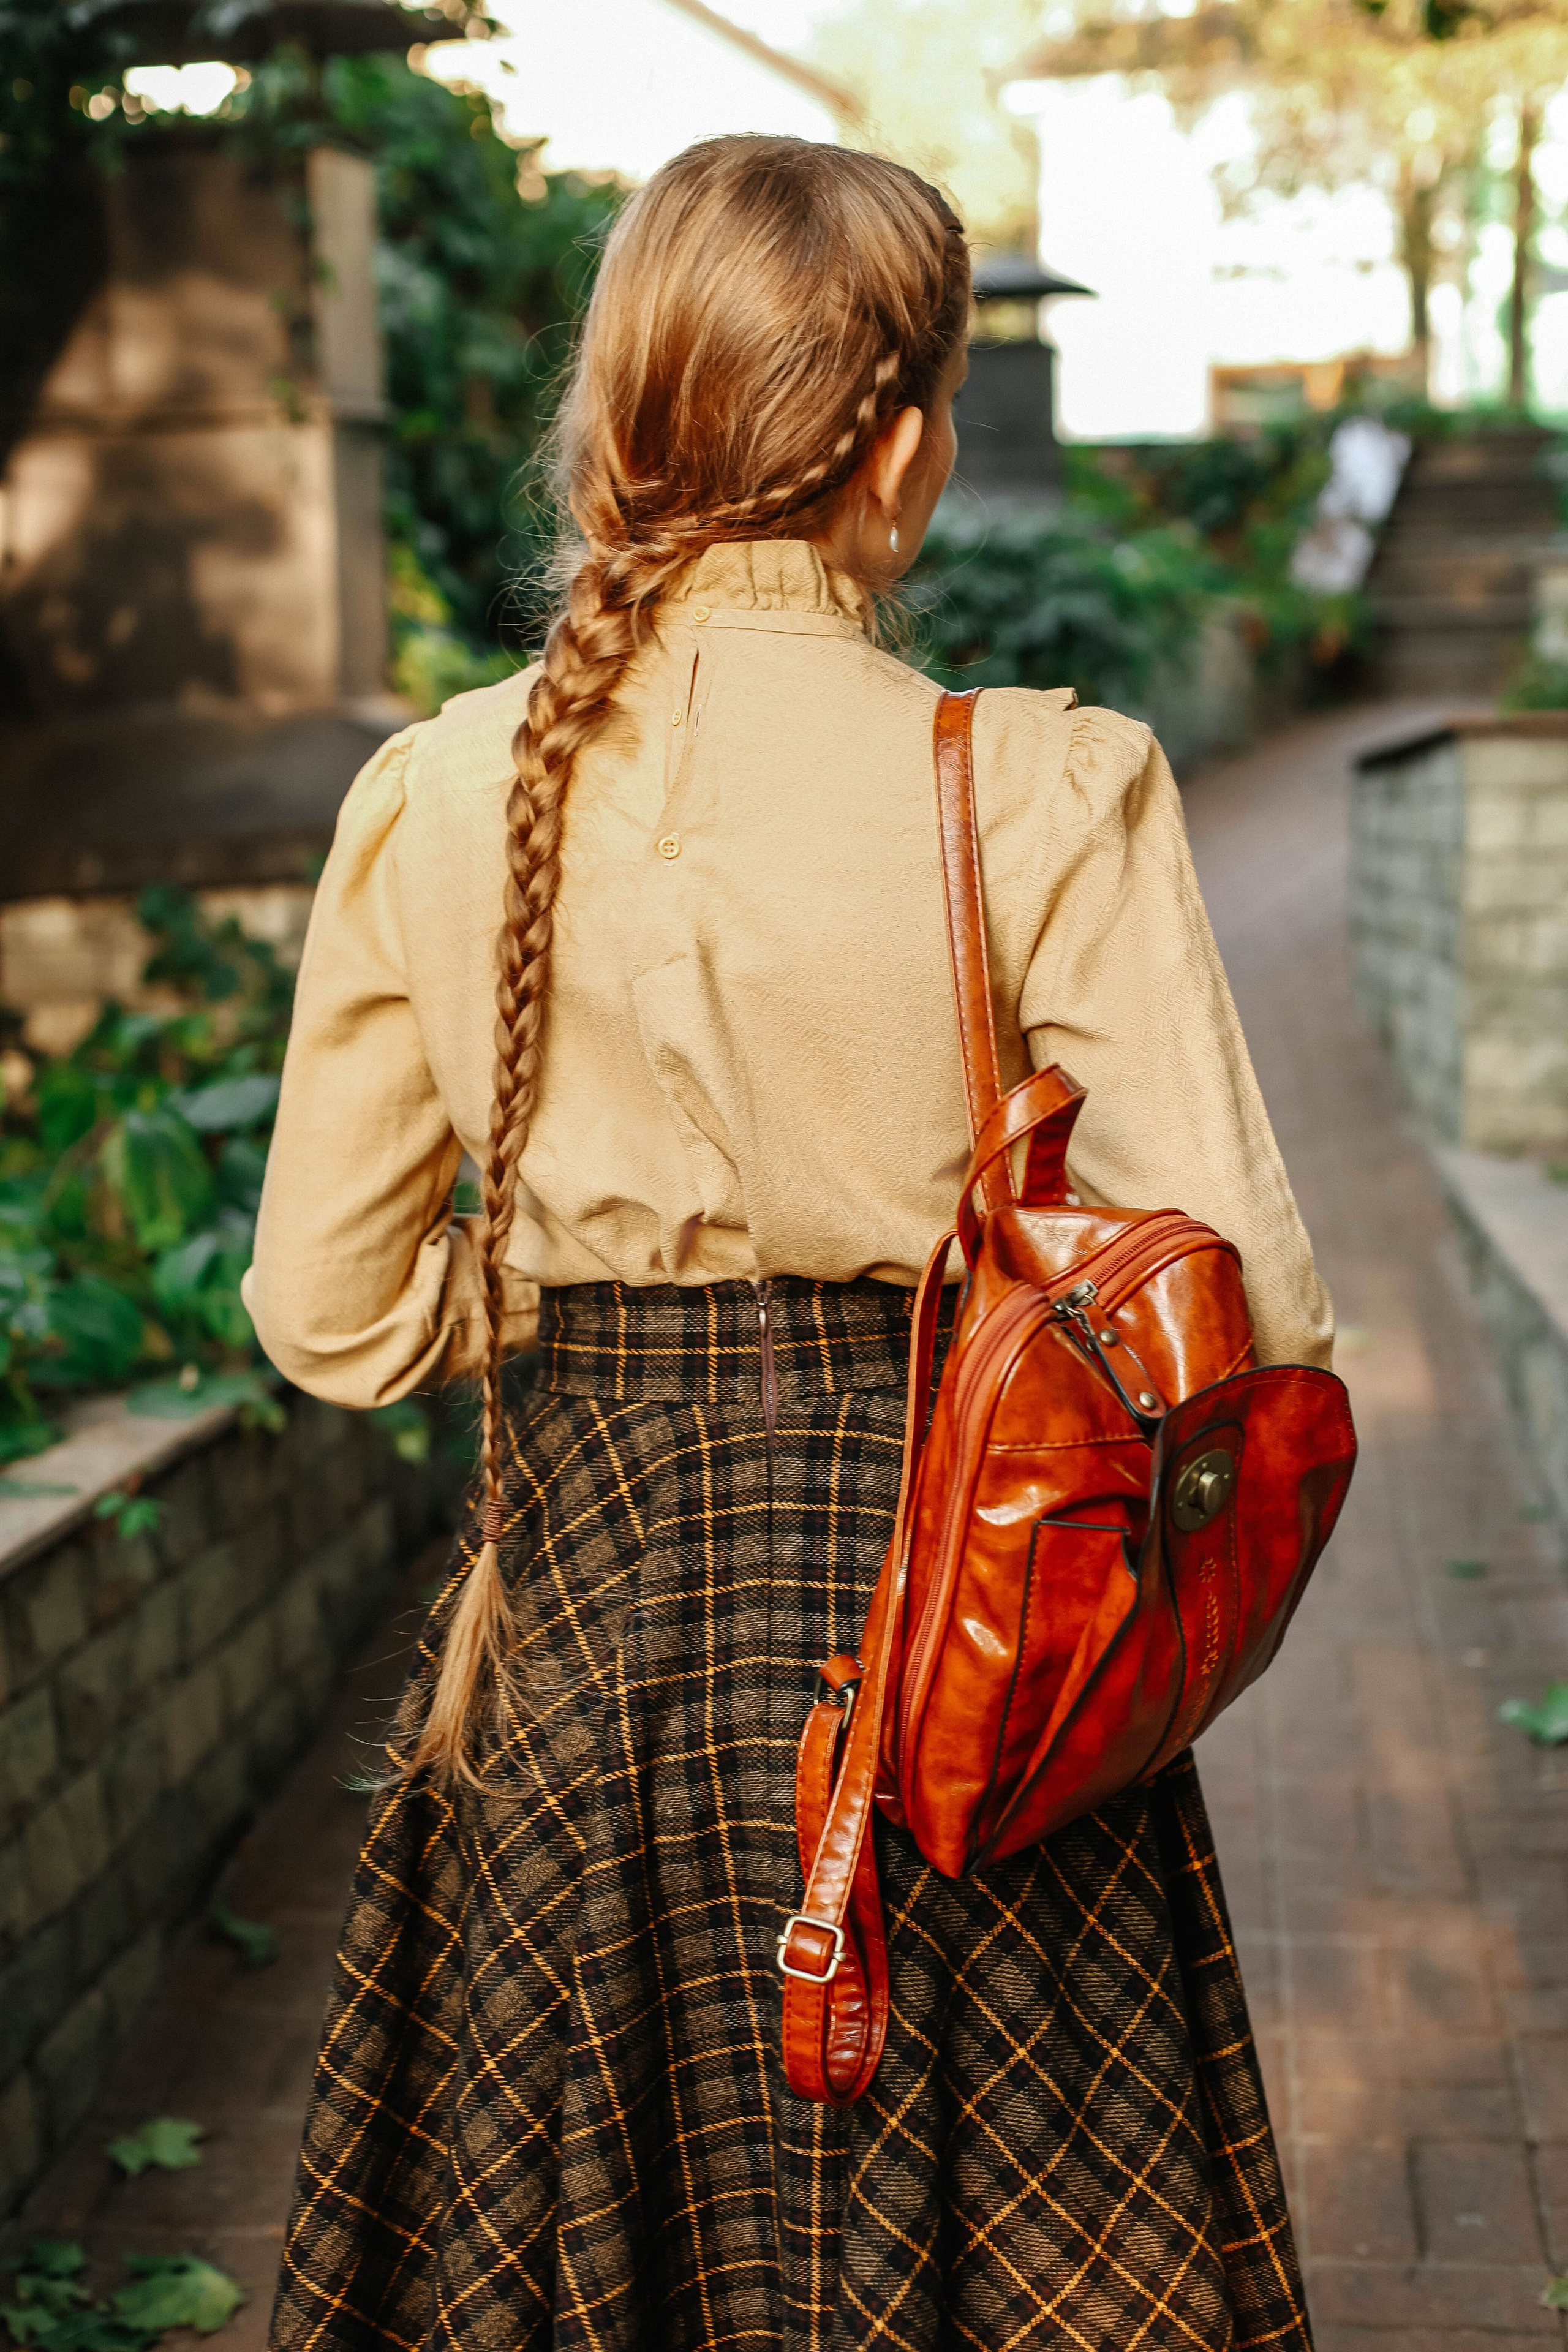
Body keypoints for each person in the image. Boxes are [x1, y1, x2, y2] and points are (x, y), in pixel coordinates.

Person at [249, 133, 1332, 2352]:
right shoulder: (1038, 782)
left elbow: (332, 1315)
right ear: (911, 446)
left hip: (581, 1668)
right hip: (965, 1661)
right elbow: (1254, 1313)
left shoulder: (441, 794)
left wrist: (577, 1313)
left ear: (627, 415)